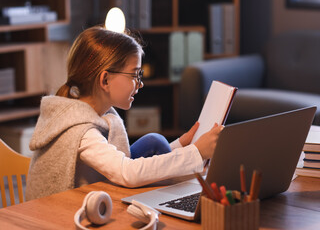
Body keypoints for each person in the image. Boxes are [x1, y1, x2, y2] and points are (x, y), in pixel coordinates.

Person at [26, 26, 224, 200]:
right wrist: (196, 152)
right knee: (151, 158)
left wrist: (182, 145)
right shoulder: (82, 133)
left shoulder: (93, 116)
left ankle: (189, 178)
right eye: (135, 74)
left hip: (95, 191)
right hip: (70, 212)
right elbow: (126, 172)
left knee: (153, 141)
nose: (140, 83)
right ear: (105, 81)